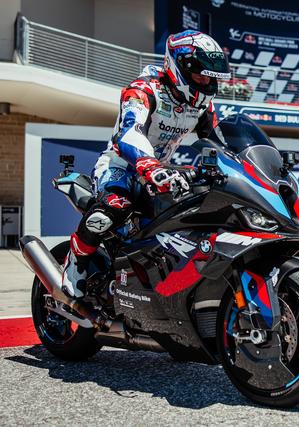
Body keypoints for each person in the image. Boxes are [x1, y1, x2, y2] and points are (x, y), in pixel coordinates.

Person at [61, 30, 231, 298]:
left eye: (211, 78)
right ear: (180, 66)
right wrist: (149, 166)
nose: (207, 82)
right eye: (201, 75)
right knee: (111, 210)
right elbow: (129, 132)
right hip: (120, 166)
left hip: (161, 171)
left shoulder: (202, 106)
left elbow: (219, 143)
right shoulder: (143, 90)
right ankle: (76, 264)